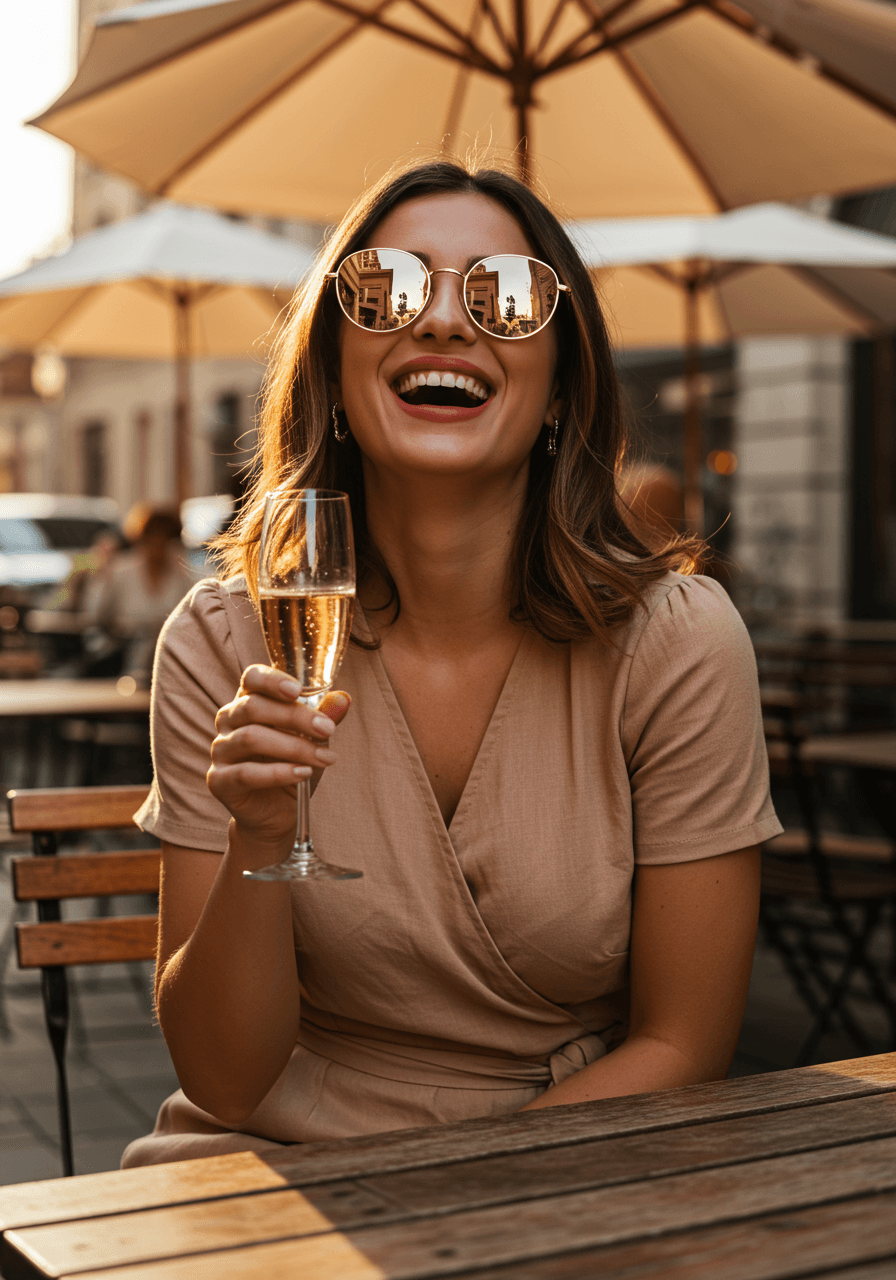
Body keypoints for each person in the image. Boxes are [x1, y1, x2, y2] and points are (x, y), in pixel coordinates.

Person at [123, 159, 780, 1167]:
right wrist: (261, 834)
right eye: (386, 286)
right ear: (335, 367)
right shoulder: (221, 640)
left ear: (560, 386)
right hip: (270, 1167)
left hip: (569, 1156)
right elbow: (221, 1075)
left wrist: (445, 1203)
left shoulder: (674, 641)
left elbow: (681, 1041)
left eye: (504, 298)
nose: (439, 322)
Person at [85, 504, 197, 686]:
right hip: (120, 661)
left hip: (170, 661)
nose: (158, 543)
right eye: (153, 536)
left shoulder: (184, 574)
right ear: (141, 537)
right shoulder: (120, 570)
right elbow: (96, 616)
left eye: (166, 537)